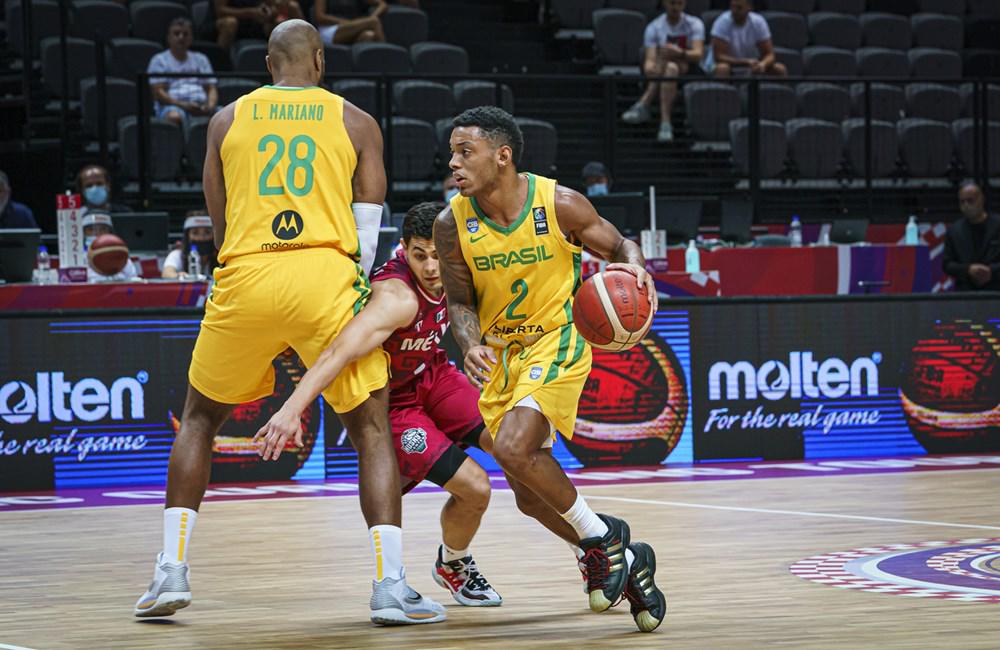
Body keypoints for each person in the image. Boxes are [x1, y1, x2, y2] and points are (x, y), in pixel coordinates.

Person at [133, 19, 445, 626]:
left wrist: (238, 274)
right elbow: (368, 218)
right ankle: (390, 585)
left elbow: (218, 221)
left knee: (199, 418)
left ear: (268, 65)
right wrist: (351, 283)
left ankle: (170, 571)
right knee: (372, 431)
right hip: (324, 274)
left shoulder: (227, 120)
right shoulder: (355, 121)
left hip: (247, 273)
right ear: (320, 63)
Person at [432, 106, 666, 633]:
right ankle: (629, 564)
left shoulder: (558, 203)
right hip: (502, 359)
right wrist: (468, 344)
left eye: (465, 152)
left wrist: (634, 267)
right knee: (530, 497)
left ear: (503, 156)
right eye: (452, 153)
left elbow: (620, 243)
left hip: (556, 342)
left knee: (514, 448)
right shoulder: (452, 224)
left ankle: (601, 538)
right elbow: (459, 302)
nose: (454, 164)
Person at [256, 201, 507, 607]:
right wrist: (291, 409)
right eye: (419, 255)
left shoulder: (466, 267)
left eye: (439, 256)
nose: (430, 268)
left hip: (434, 374)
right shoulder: (396, 298)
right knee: (477, 488)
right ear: (404, 249)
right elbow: (337, 353)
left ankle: (585, 545)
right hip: (394, 400)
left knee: (514, 445)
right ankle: (454, 565)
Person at [621, 0, 705, 143]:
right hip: (665, 70)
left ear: (684, 4)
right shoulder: (654, 27)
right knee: (670, 67)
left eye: (679, 3)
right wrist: (652, 68)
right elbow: (649, 62)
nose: (676, 7)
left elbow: (698, 54)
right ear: (665, 3)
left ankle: (644, 104)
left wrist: (679, 52)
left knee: (671, 60)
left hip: (691, 71)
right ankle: (665, 123)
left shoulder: (694, 23)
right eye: (672, 3)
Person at [148, 18, 219, 131]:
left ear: (191, 38)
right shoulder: (159, 60)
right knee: (174, 117)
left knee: (226, 116)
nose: (181, 37)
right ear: (168, 38)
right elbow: (158, 92)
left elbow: (211, 88)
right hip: (173, 106)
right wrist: (183, 105)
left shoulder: (201, 59)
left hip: (201, 105)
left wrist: (210, 106)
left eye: (185, 34)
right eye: (176, 34)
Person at [943, 181, 1000, 291]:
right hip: (965, 293)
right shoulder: (954, 231)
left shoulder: (998, 226)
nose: (966, 206)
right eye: (962, 202)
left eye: (970, 201)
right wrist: (968, 270)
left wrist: (991, 271)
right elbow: (947, 264)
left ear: (982, 200)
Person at [709, 0, 786, 78]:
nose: (734, 11)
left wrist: (762, 64)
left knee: (779, 69)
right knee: (722, 68)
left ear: (749, 8)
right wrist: (745, 62)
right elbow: (719, 56)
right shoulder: (722, 22)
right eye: (732, 7)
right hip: (730, 65)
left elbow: (770, 54)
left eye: (739, 8)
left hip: (752, 65)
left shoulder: (758, 22)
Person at [215, 0, 304, 50]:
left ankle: (280, 65)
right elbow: (219, 11)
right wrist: (249, 13)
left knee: (279, 25)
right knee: (230, 23)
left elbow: (271, 6)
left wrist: (271, 12)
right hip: (227, 22)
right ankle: (220, 65)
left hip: (255, 23)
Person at [82, 212, 140, 282]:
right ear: (83, 233)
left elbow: (133, 279)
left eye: (103, 229)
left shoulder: (120, 255)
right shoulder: (77, 257)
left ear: (109, 232)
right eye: (91, 229)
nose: (98, 233)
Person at [162, 213, 217, 279]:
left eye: (207, 232)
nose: (201, 238)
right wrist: (179, 276)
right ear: (187, 236)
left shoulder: (222, 256)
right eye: (195, 233)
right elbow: (166, 273)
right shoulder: (178, 255)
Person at [314, 0, 386, 45]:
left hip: (352, 28)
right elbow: (319, 17)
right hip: (329, 30)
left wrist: (372, 16)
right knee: (374, 22)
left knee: (368, 36)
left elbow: (382, 4)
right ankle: (388, 60)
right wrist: (345, 22)